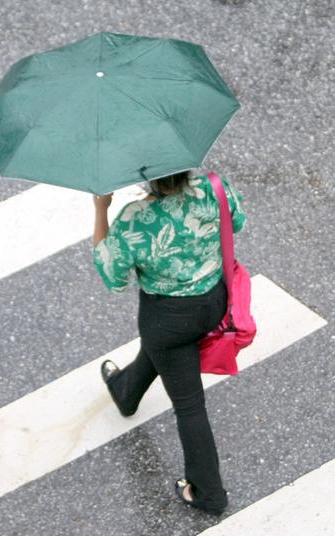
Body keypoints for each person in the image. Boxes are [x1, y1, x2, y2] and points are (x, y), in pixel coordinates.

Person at [91, 170, 246, 515]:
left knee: (189, 405)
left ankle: (209, 493)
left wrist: (101, 209)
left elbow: (111, 276)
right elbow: (236, 223)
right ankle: (125, 390)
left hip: (167, 319)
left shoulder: (136, 218)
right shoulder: (213, 188)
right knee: (163, 350)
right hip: (214, 302)